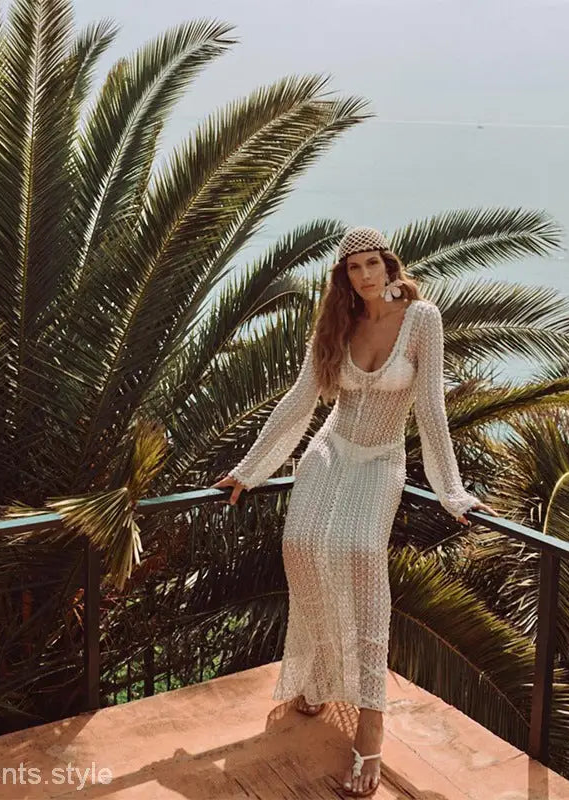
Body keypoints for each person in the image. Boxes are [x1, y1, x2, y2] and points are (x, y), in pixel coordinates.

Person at [211, 226, 498, 797]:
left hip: (379, 462)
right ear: (342, 277)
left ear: (390, 265)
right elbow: (299, 401)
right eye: (353, 268)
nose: (365, 275)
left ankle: (371, 723)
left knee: (361, 556)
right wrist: (251, 470)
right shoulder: (336, 324)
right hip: (328, 452)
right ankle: (317, 678)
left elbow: (432, 409)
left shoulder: (423, 320)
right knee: (302, 548)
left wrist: (451, 490)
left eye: (372, 264)